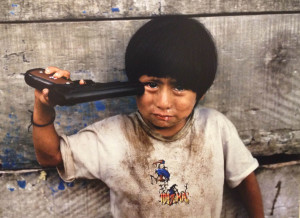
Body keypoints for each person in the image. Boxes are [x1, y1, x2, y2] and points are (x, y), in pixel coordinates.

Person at [32, 16, 264, 217]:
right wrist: (43, 105)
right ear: (135, 84)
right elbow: (51, 157)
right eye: (152, 84)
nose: (163, 102)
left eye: (179, 87)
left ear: (200, 93)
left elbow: (245, 179)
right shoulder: (114, 137)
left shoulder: (215, 128)